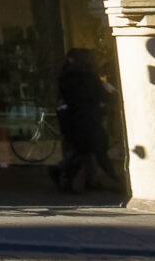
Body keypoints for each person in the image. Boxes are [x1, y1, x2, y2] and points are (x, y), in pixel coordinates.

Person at [52, 48, 122, 195]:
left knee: (83, 150)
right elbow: (101, 95)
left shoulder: (66, 76)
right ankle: (116, 181)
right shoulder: (87, 76)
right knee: (95, 150)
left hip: (75, 117)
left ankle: (67, 175)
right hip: (89, 118)